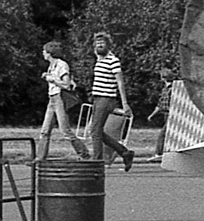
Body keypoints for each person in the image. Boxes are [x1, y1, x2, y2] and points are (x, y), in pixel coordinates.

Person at [87, 32, 135, 171]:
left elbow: (120, 82)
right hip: (97, 98)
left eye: (102, 43)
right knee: (97, 131)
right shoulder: (100, 59)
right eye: (97, 44)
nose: (99, 46)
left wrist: (125, 103)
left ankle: (97, 162)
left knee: (95, 131)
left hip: (106, 98)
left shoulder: (113, 60)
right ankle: (125, 152)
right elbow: (97, 52)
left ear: (108, 45)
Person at [38, 41, 87, 159]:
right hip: (52, 99)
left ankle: (84, 154)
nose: (43, 53)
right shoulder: (51, 66)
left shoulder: (62, 65)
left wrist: (51, 79)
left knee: (65, 131)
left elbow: (66, 85)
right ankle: (40, 158)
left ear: (50, 52)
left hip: (59, 98)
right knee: (45, 131)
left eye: (44, 51)